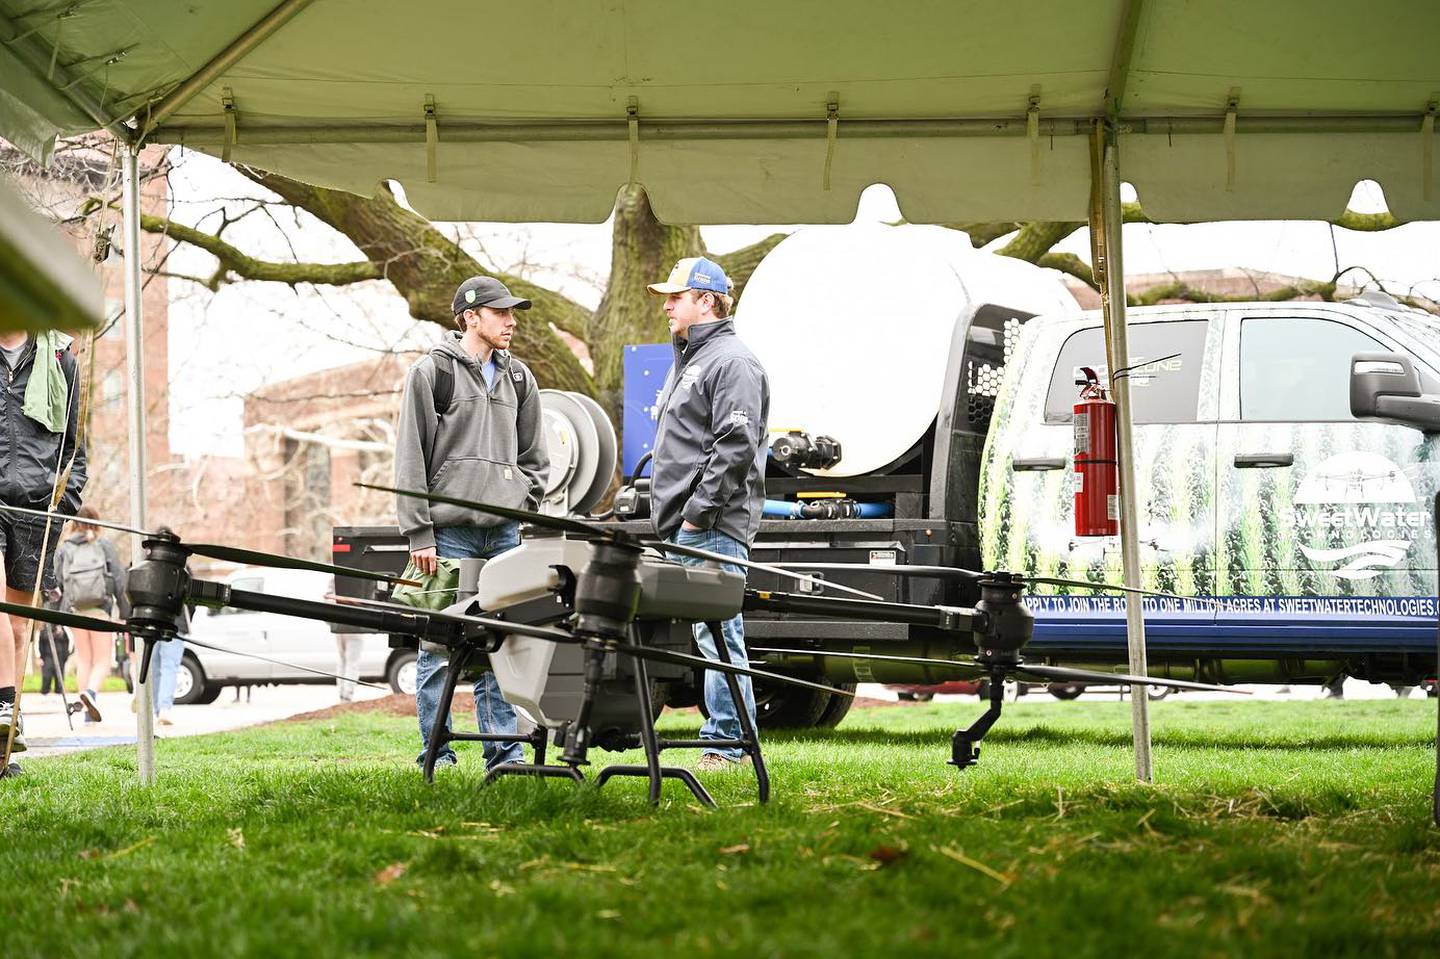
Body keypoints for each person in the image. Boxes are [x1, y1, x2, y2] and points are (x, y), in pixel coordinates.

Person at [394, 275, 548, 770]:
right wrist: (420, 531)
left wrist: (523, 502)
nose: (511, 322)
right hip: (449, 531)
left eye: (512, 313)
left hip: (503, 532)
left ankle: (503, 754)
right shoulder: (431, 373)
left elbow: (534, 457)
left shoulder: (520, 378)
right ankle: (436, 753)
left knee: (499, 645)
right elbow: (410, 455)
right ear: (470, 317)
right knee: (439, 648)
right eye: (501, 313)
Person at [646, 257, 770, 772]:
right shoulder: (693, 358)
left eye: (677, 296)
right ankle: (728, 739)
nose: (668, 305)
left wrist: (697, 515)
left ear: (707, 300)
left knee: (719, 634)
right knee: (710, 633)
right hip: (688, 524)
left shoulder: (731, 362)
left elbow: (735, 445)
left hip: (712, 527)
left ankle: (728, 743)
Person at [0, 328, 86, 777]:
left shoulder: (59, 361)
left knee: (17, 629)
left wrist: (63, 504)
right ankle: (0, 711)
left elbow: (75, 450)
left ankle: (7, 738)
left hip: (35, 510)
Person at [53, 506, 126, 723]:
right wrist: (125, 610)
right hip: (100, 608)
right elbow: (119, 578)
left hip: (76, 610)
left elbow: (56, 580)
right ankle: (91, 694)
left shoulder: (65, 548)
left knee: (83, 659)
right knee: (102, 660)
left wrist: (56, 612)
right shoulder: (102, 544)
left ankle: (86, 712)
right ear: (96, 521)